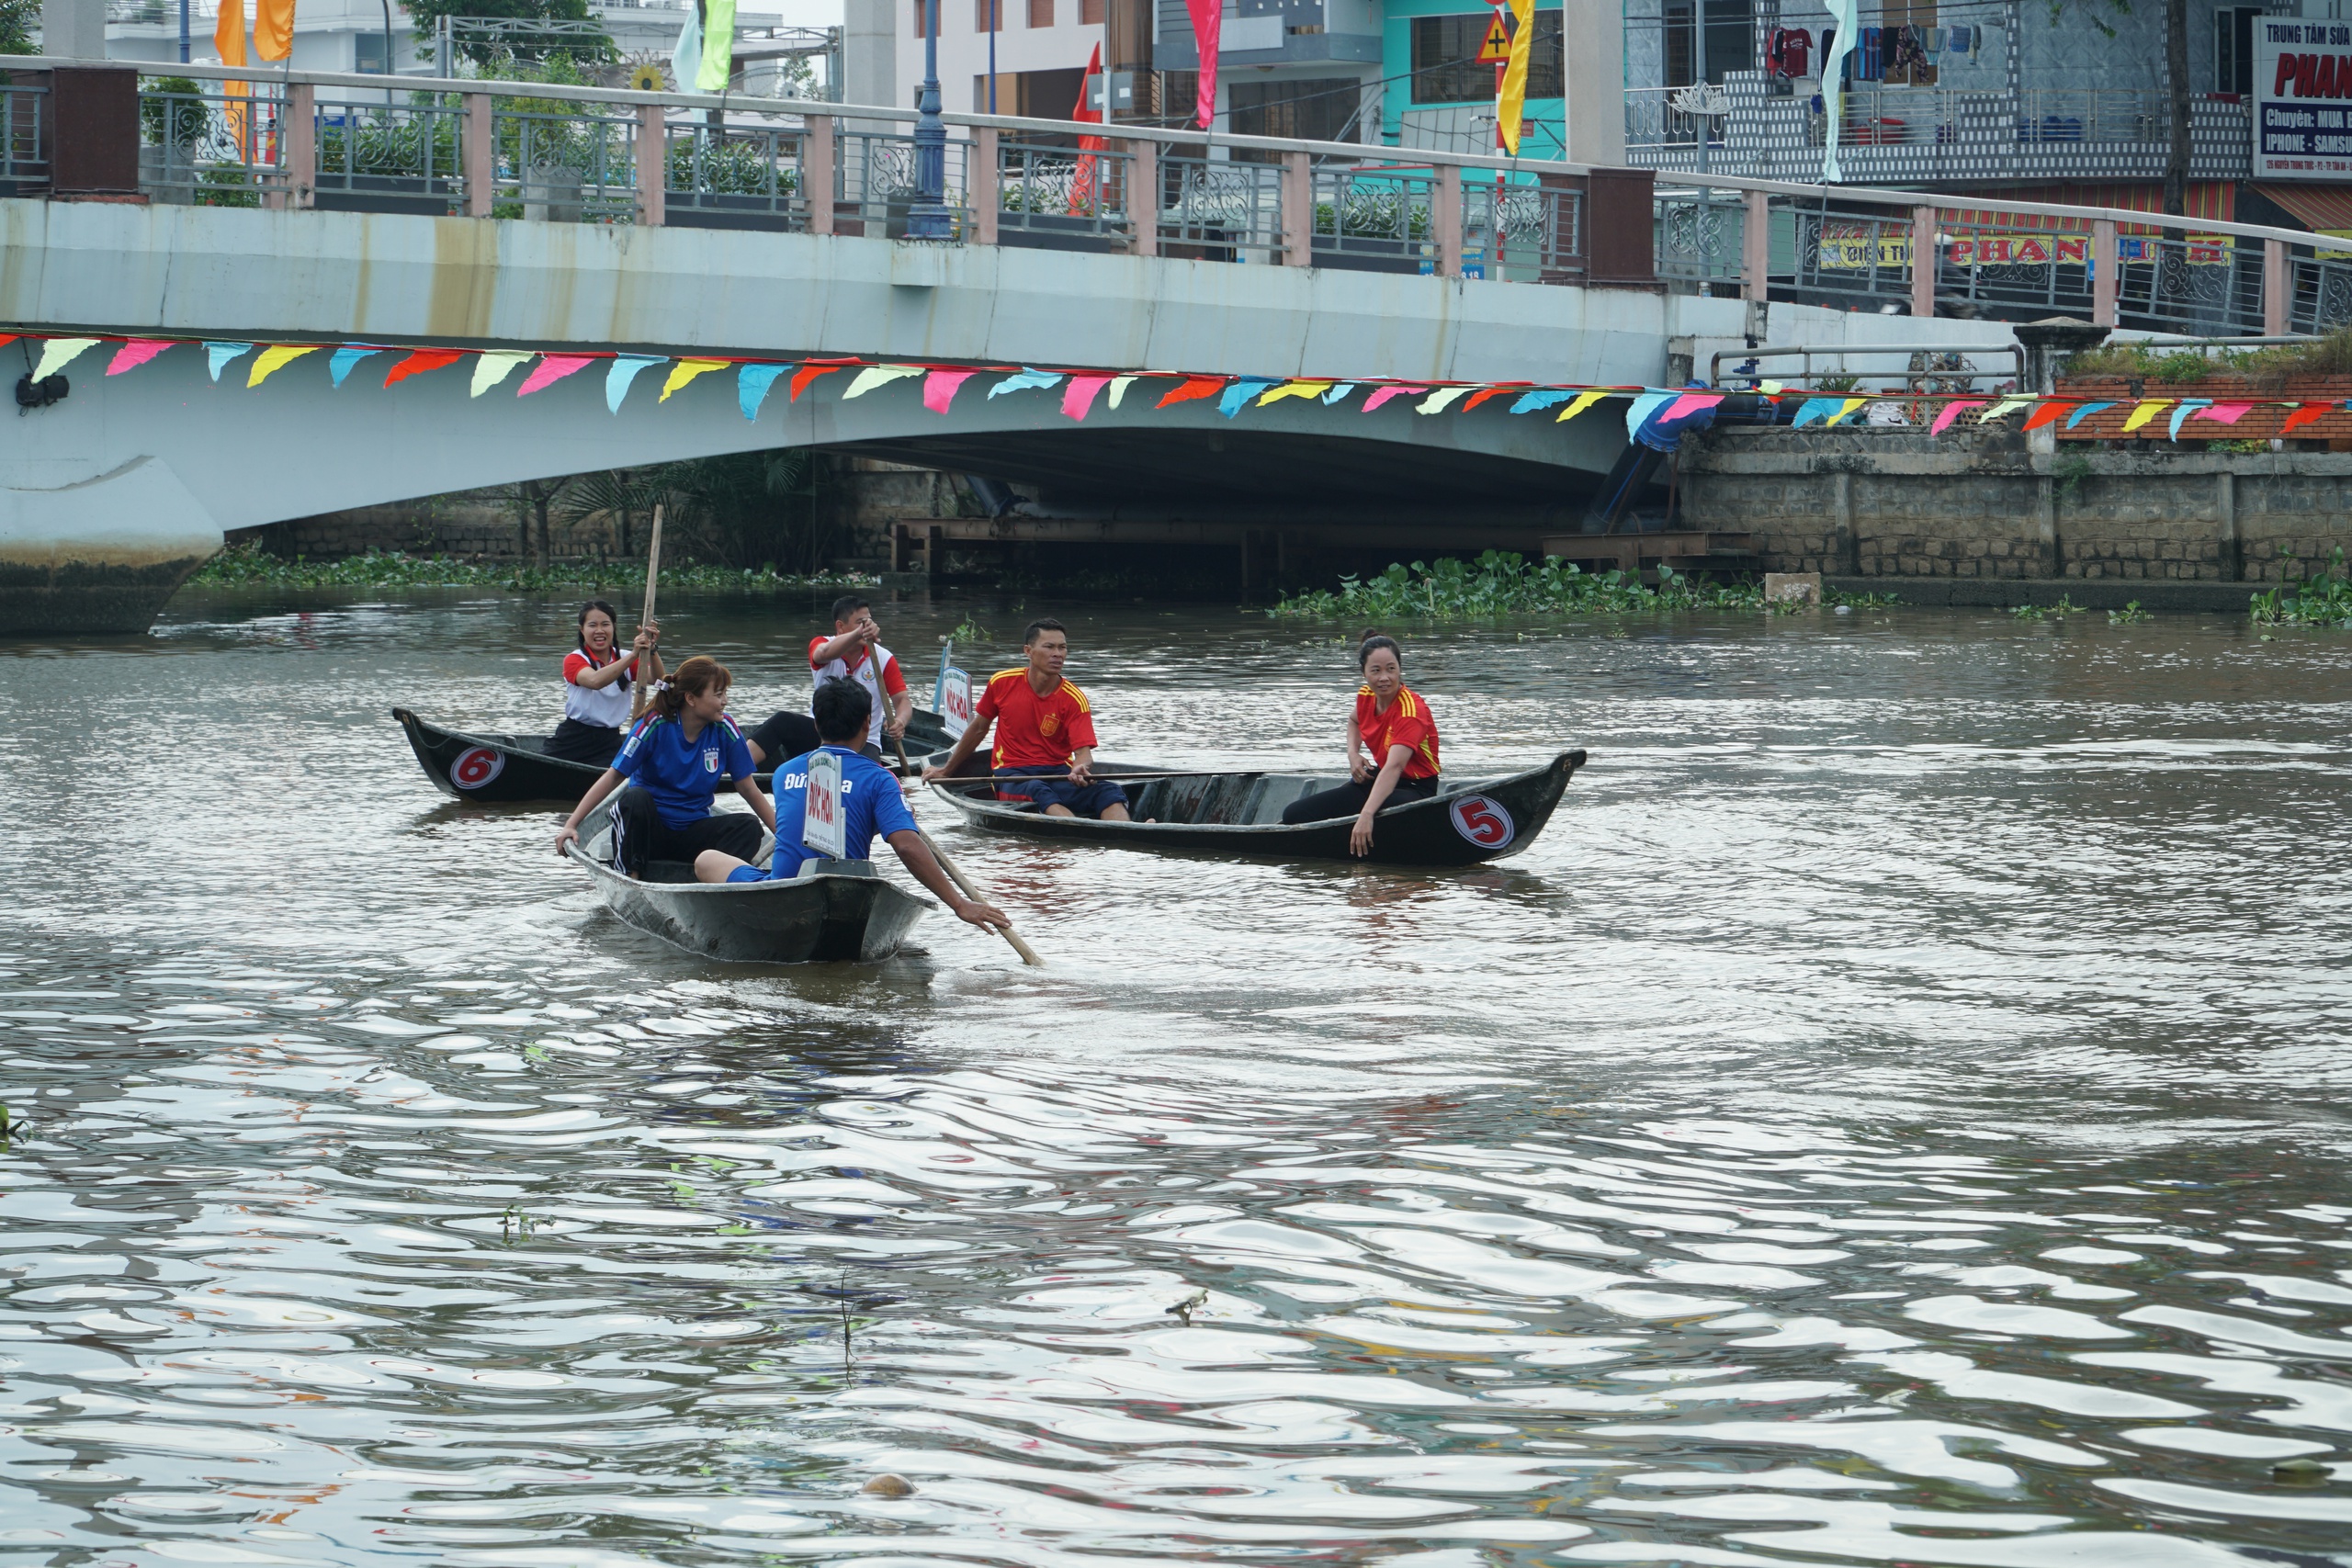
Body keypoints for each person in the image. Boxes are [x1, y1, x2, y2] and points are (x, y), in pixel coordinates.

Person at [695, 679, 1012, 932]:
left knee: (706, 860)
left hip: (784, 885)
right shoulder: (881, 779)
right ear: (866, 723)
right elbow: (907, 846)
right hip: (844, 892)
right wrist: (959, 903)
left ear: (816, 724)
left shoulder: (784, 772)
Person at [553, 655, 775, 878]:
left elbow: (748, 788)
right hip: (649, 836)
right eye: (718, 695)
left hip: (692, 835)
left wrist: (785, 836)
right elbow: (613, 777)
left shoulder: (725, 727)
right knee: (635, 798)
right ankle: (632, 876)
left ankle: (710, 877)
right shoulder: (654, 725)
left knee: (748, 827)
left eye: (725, 694)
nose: (724, 701)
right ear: (691, 698)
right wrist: (571, 824)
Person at [921, 617, 1132, 821]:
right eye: (1049, 647)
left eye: (1062, 648)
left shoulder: (1074, 699)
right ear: (1028, 651)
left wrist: (1079, 767)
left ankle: (1125, 830)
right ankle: (1085, 832)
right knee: (1036, 788)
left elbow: (1083, 755)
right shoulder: (1001, 683)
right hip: (1011, 775)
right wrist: (947, 770)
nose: (1057, 654)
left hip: (1058, 773)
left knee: (1109, 790)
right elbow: (978, 729)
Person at [1282, 631, 1441, 856]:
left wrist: (1366, 815)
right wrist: (1353, 754)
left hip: (1416, 789)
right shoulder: (1366, 694)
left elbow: (1395, 767)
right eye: (1376, 670)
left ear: (1399, 670)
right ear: (1364, 673)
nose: (1384, 678)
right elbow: (1353, 720)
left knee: (1372, 813)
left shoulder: (1410, 711)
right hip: (1380, 778)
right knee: (1294, 815)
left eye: (1391, 669)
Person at [546, 600, 661, 766]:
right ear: (582, 630)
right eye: (592, 625)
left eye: (605, 624)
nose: (599, 631)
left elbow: (658, 680)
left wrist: (652, 649)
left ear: (613, 627)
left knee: (610, 778)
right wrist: (634, 655)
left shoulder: (626, 657)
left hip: (609, 740)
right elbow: (595, 681)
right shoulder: (575, 659)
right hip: (573, 737)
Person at [808, 594, 910, 760]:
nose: (867, 627)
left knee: (859, 770)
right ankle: (749, 777)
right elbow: (823, 654)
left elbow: (902, 701)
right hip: (822, 733)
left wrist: (900, 721)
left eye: (869, 622)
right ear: (840, 626)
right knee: (780, 722)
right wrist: (858, 634)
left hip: (863, 739)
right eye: (861, 623)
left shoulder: (883, 658)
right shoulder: (822, 644)